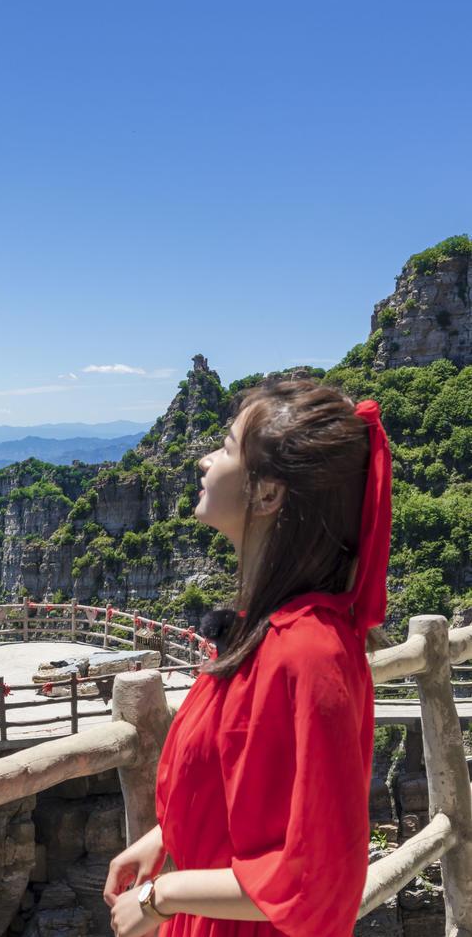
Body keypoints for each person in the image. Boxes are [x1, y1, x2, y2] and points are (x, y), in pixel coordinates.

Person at [104, 379, 392, 937]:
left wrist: (162, 896)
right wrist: (165, 837)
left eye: (227, 447)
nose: (205, 460)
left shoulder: (308, 652)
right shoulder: (266, 631)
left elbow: (316, 881)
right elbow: (249, 792)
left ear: (268, 494)